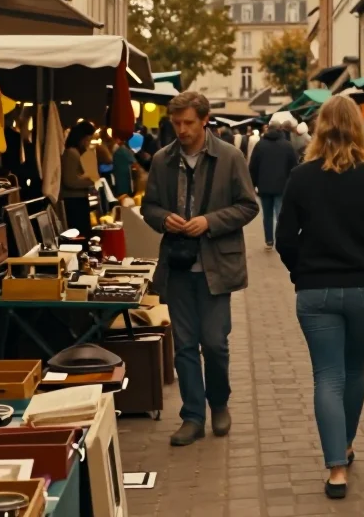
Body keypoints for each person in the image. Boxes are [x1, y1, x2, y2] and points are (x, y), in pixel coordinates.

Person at [275, 95, 364, 499]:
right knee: (354, 369)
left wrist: (301, 272)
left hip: (315, 292)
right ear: (359, 128)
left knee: (327, 376)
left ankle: (336, 468)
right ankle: (346, 444)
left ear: (319, 129)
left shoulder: (302, 177)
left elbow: (285, 239)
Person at [141, 91, 259, 447]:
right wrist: (165, 219)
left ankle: (219, 403)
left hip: (216, 265)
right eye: (176, 123)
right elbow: (149, 207)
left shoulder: (230, 157)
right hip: (177, 266)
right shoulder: (163, 159)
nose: (182, 130)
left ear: (205, 120)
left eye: (188, 123)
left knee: (215, 343)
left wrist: (210, 221)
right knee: (185, 346)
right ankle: (192, 416)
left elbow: (248, 206)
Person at [248, 119, 298, 250]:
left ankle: (269, 240)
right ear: (280, 129)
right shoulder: (287, 145)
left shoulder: (260, 145)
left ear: (268, 129)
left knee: (267, 215)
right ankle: (280, 240)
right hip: (282, 186)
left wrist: (253, 184)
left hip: (264, 187)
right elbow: (294, 166)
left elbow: (253, 166)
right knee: (280, 214)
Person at [60, 121, 97, 236]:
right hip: (74, 201)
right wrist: (91, 181)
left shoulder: (75, 153)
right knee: (80, 233)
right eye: (87, 140)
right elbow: (70, 181)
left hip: (78, 199)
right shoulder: (71, 153)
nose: (88, 143)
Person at [110, 130, 136, 200]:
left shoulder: (120, 149)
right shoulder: (123, 150)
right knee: (125, 196)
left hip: (119, 176)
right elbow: (134, 162)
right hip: (124, 178)